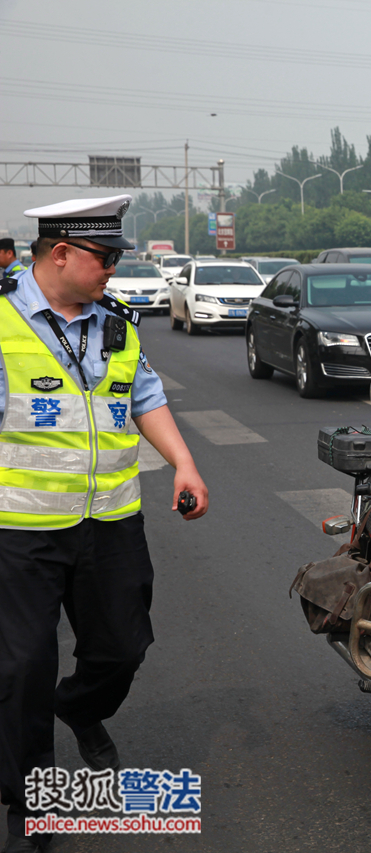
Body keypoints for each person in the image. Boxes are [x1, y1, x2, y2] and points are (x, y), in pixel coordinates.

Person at [0, 195, 209, 853]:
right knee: (22, 667)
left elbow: (143, 397)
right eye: (105, 258)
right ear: (60, 253)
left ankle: (82, 706)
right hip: (22, 529)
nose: (113, 270)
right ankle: (31, 798)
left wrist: (184, 463)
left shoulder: (115, 322)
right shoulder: (2, 323)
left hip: (112, 522)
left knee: (123, 647)